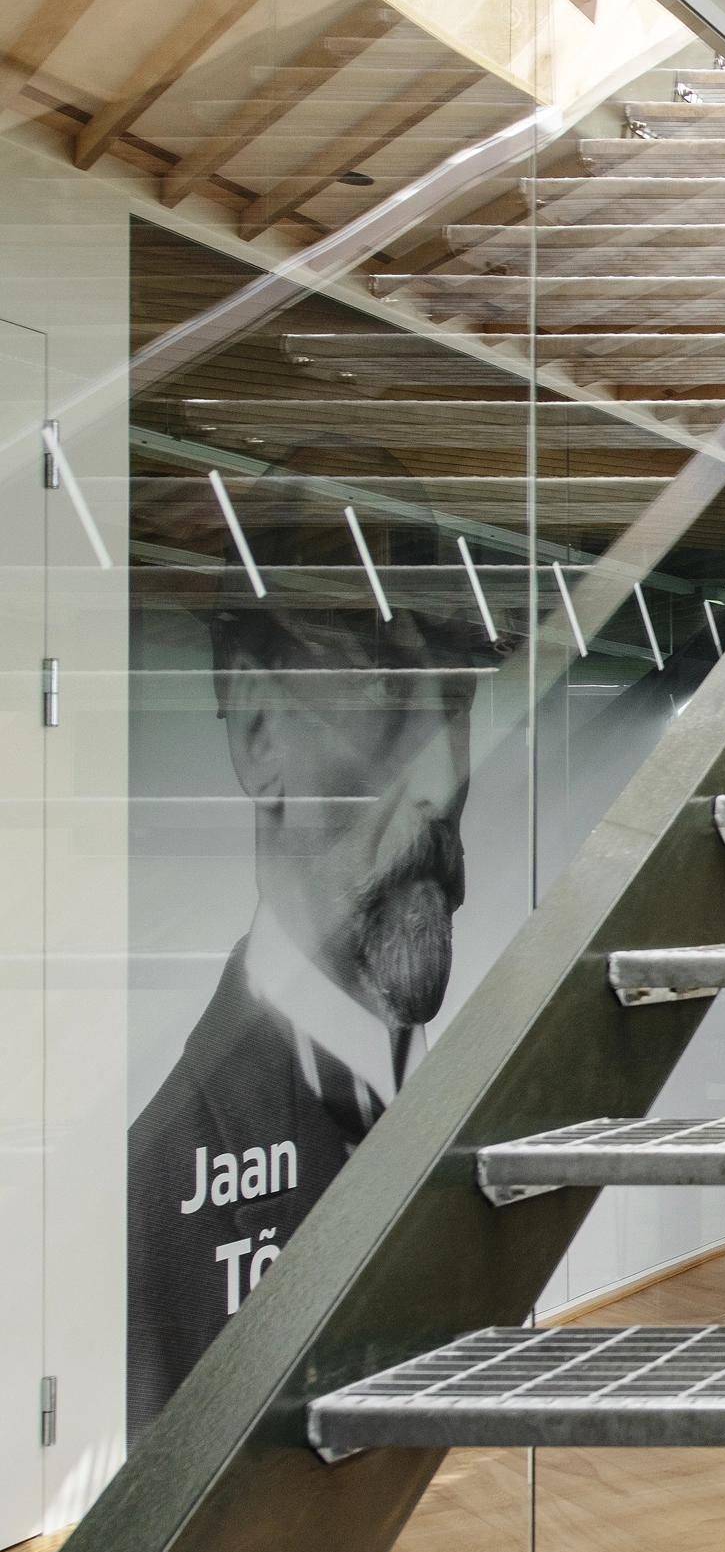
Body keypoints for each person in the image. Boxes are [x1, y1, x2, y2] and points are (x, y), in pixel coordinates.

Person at [125, 550, 478, 1431]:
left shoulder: (461, 1107)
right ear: (257, 733)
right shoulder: (153, 1208)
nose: (443, 786)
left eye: (461, 704)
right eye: (386, 699)